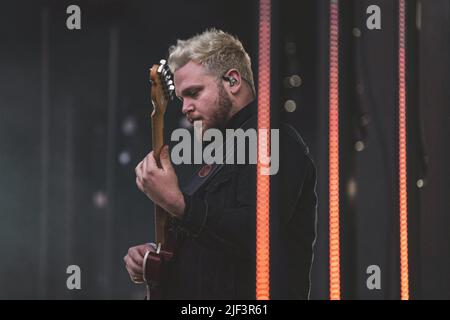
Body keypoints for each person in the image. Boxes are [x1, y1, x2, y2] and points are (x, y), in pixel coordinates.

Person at [123, 28, 317, 299]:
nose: (184, 108)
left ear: (233, 81)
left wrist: (178, 204)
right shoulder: (219, 159)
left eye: (194, 92)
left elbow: (258, 235)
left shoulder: (276, 142)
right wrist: (155, 260)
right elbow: (214, 255)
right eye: (181, 98)